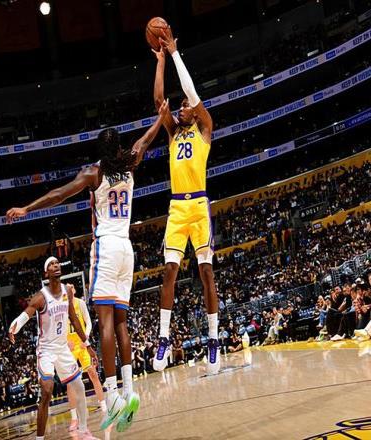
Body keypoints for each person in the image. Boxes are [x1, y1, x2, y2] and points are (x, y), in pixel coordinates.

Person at [6, 101, 169, 432]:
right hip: (127, 249)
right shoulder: (131, 163)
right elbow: (145, 141)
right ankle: (130, 389)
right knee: (121, 323)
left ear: (100, 150)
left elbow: (59, 195)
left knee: (105, 321)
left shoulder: (94, 173)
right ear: (119, 147)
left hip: (106, 247)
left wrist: (27, 208)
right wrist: (160, 119)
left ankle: (112, 395)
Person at [152, 26, 220, 375]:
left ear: (194, 111)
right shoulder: (173, 132)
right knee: (169, 271)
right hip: (177, 208)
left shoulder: (204, 127)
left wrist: (176, 53)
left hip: (199, 207)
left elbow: (191, 93)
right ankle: (163, 337)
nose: (181, 107)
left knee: (206, 272)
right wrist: (161, 61)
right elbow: (158, 100)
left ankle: (213, 338)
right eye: (179, 106)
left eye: (185, 106)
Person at [8, 257, 99, 440]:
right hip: (46, 350)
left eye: (57, 263)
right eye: (51, 264)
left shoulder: (67, 291)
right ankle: (39, 438)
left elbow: (74, 318)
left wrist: (88, 345)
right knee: (47, 390)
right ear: (46, 273)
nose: (55, 265)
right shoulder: (40, 297)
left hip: (63, 348)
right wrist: (14, 327)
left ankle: (83, 431)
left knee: (79, 386)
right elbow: (26, 314)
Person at [67, 291, 106, 432]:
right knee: (70, 383)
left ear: (73, 291)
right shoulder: (61, 306)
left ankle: (104, 407)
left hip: (82, 344)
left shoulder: (80, 303)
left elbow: (88, 322)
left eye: (70, 288)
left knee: (93, 374)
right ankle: (74, 418)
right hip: (70, 347)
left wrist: (86, 337)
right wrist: (65, 341)